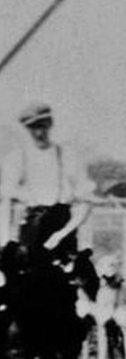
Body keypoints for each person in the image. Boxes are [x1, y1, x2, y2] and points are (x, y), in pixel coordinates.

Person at [0, 102, 94, 264]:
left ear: (50, 124)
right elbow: (6, 200)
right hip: (31, 232)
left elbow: (86, 202)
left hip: (62, 230)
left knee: (66, 282)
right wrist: (4, 242)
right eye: (33, 128)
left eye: (42, 126)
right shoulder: (18, 157)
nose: (38, 133)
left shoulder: (68, 156)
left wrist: (61, 234)